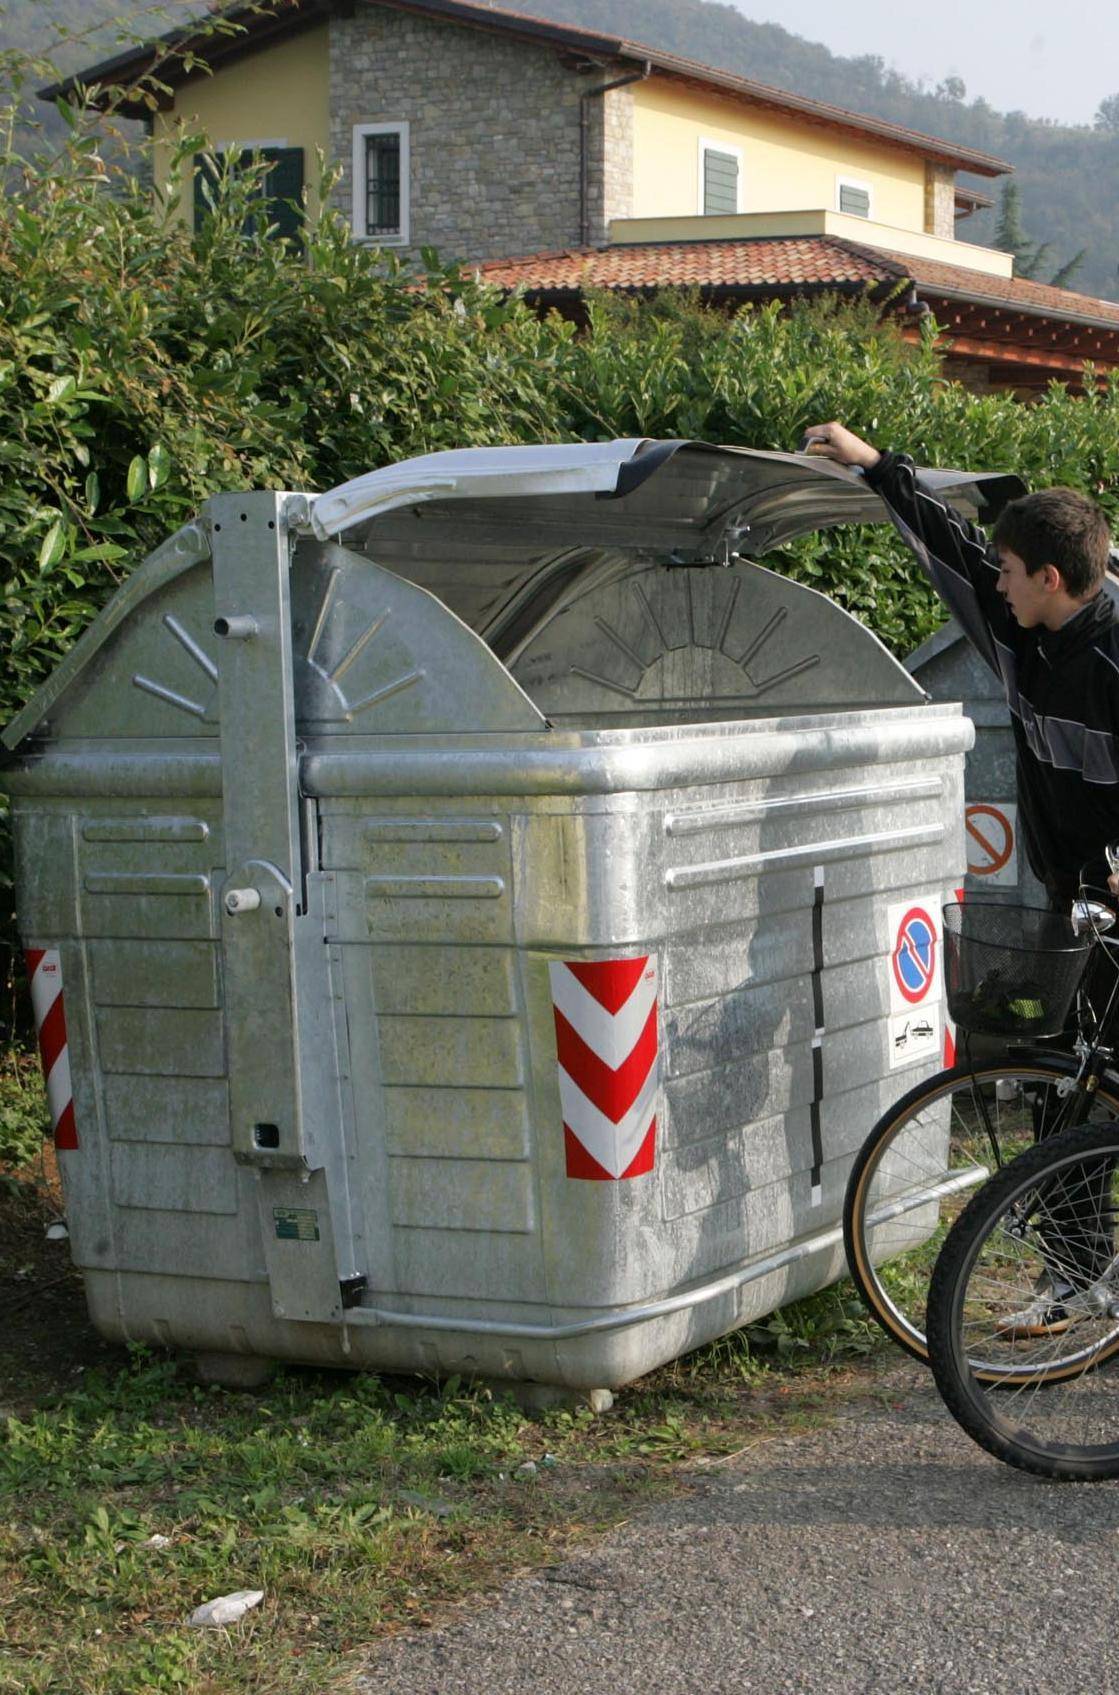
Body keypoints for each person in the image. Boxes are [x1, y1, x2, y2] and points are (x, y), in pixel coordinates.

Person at [802, 421, 1119, 1336]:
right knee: (1073, 1088)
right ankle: (1075, 1282)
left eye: (1012, 572)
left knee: (1089, 1087)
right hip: (1083, 901)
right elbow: (950, 544)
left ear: (1049, 581)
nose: (997, 583)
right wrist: (873, 468)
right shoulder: (1020, 630)